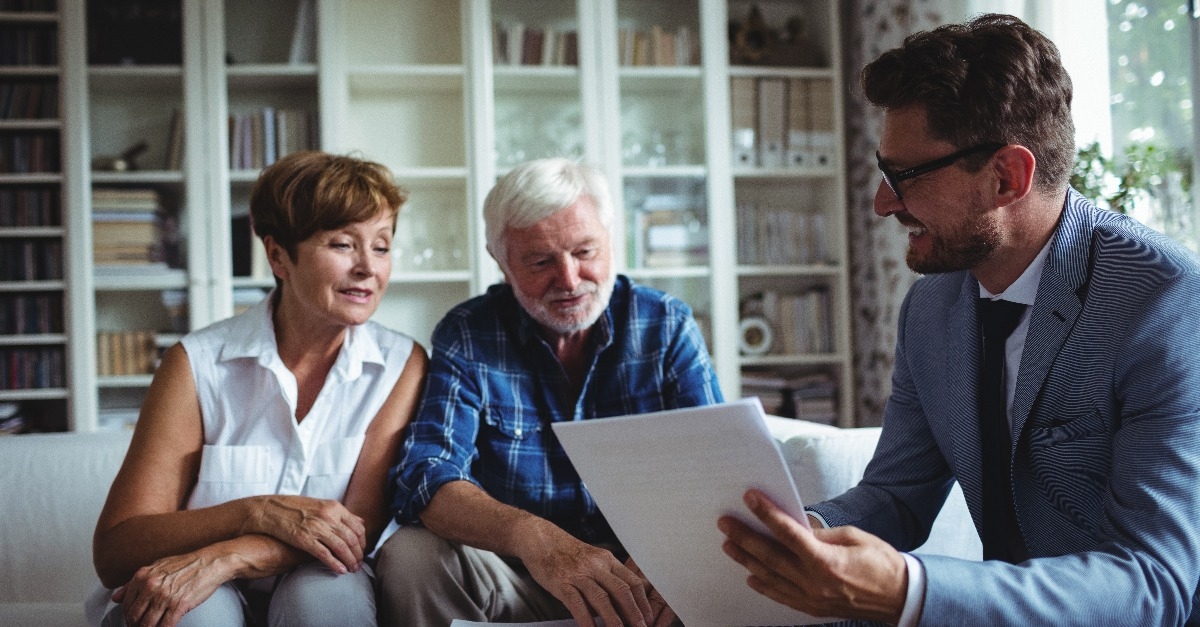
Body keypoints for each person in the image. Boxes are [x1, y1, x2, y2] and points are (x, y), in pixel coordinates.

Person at [718, 13, 1200, 626]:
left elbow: (1153, 581)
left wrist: (910, 591)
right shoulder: (931, 307)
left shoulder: (1165, 300)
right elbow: (898, 496)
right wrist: (798, 537)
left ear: (1007, 176)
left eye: (906, 176)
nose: (882, 203)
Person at [376, 157, 724, 627]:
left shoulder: (666, 324)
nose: (569, 279)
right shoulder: (468, 333)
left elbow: (717, 471)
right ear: (501, 262)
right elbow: (426, 476)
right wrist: (534, 538)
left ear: (611, 241)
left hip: (649, 585)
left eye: (585, 252)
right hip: (519, 580)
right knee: (411, 555)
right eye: (540, 261)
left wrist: (673, 558)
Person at [88, 151, 428, 627]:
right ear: (277, 255)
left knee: (327, 599)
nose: (368, 267)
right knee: (195, 616)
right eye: (342, 244)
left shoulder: (401, 365)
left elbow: (357, 530)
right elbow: (116, 549)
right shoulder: (197, 364)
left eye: (382, 245)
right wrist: (256, 512)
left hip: (319, 576)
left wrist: (228, 557)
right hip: (195, 587)